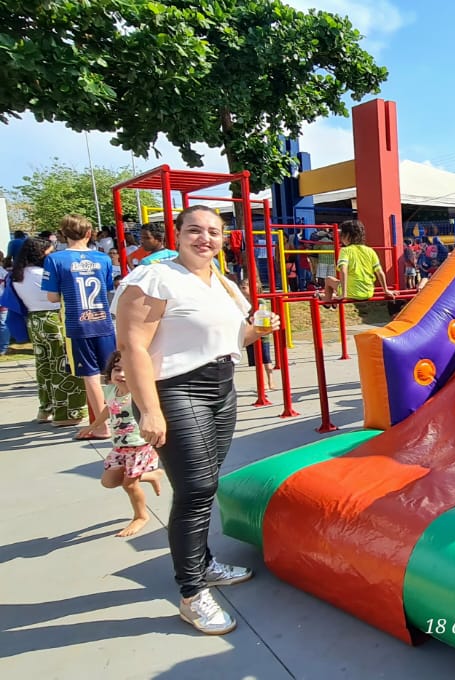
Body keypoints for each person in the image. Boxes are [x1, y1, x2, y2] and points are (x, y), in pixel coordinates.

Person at [113, 204, 279, 634]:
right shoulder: (155, 278)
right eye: (195, 230)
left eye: (214, 232)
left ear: (224, 238)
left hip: (222, 386)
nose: (205, 238)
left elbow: (232, 337)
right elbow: (132, 349)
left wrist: (258, 332)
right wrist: (150, 409)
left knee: (202, 484)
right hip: (177, 390)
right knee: (196, 489)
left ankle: (203, 564)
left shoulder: (222, 282)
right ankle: (191, 592)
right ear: (178, 233)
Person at [43, 214, 117, 438]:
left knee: (91, 377)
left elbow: (53, 297)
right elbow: (106, 289)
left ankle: (103, 426)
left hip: (77, 324)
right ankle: (123, 417)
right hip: (103, 321)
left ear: (63, 234)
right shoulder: (102, 258)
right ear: (89, 233)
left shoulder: (56, 260)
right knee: (114, 373)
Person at [79, 351, 165, 536]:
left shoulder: (138, 394)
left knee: (129, 485)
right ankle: (152, 475)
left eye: (130, 371)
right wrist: (93, 426)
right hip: (120, 447)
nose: (122, 375)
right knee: (109, 482)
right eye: (117, 369)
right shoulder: (111, 391)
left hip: (140, 445)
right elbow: (108, 410)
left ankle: (141, 516)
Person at [12, 237, 89, 424]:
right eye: (49, 251)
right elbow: (56, 296)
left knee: (44, 365)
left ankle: (45, 408)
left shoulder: (18, 275)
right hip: (54, 319)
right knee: (62, 363)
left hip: (34, 320)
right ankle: (67, 412)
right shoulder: (42, 274)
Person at [319, 220, 387, 302]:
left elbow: (343, 271)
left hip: (351, 293)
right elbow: (380, 272)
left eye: (342, 235)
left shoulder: (345, 250)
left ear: (347, 235)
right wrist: (385, 290)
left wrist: (343, 294)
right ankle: (333, 296)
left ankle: (327, 300)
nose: (341, 238)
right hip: (368, 292)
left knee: (328, 279)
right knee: (343, 281)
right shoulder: (370, 251)